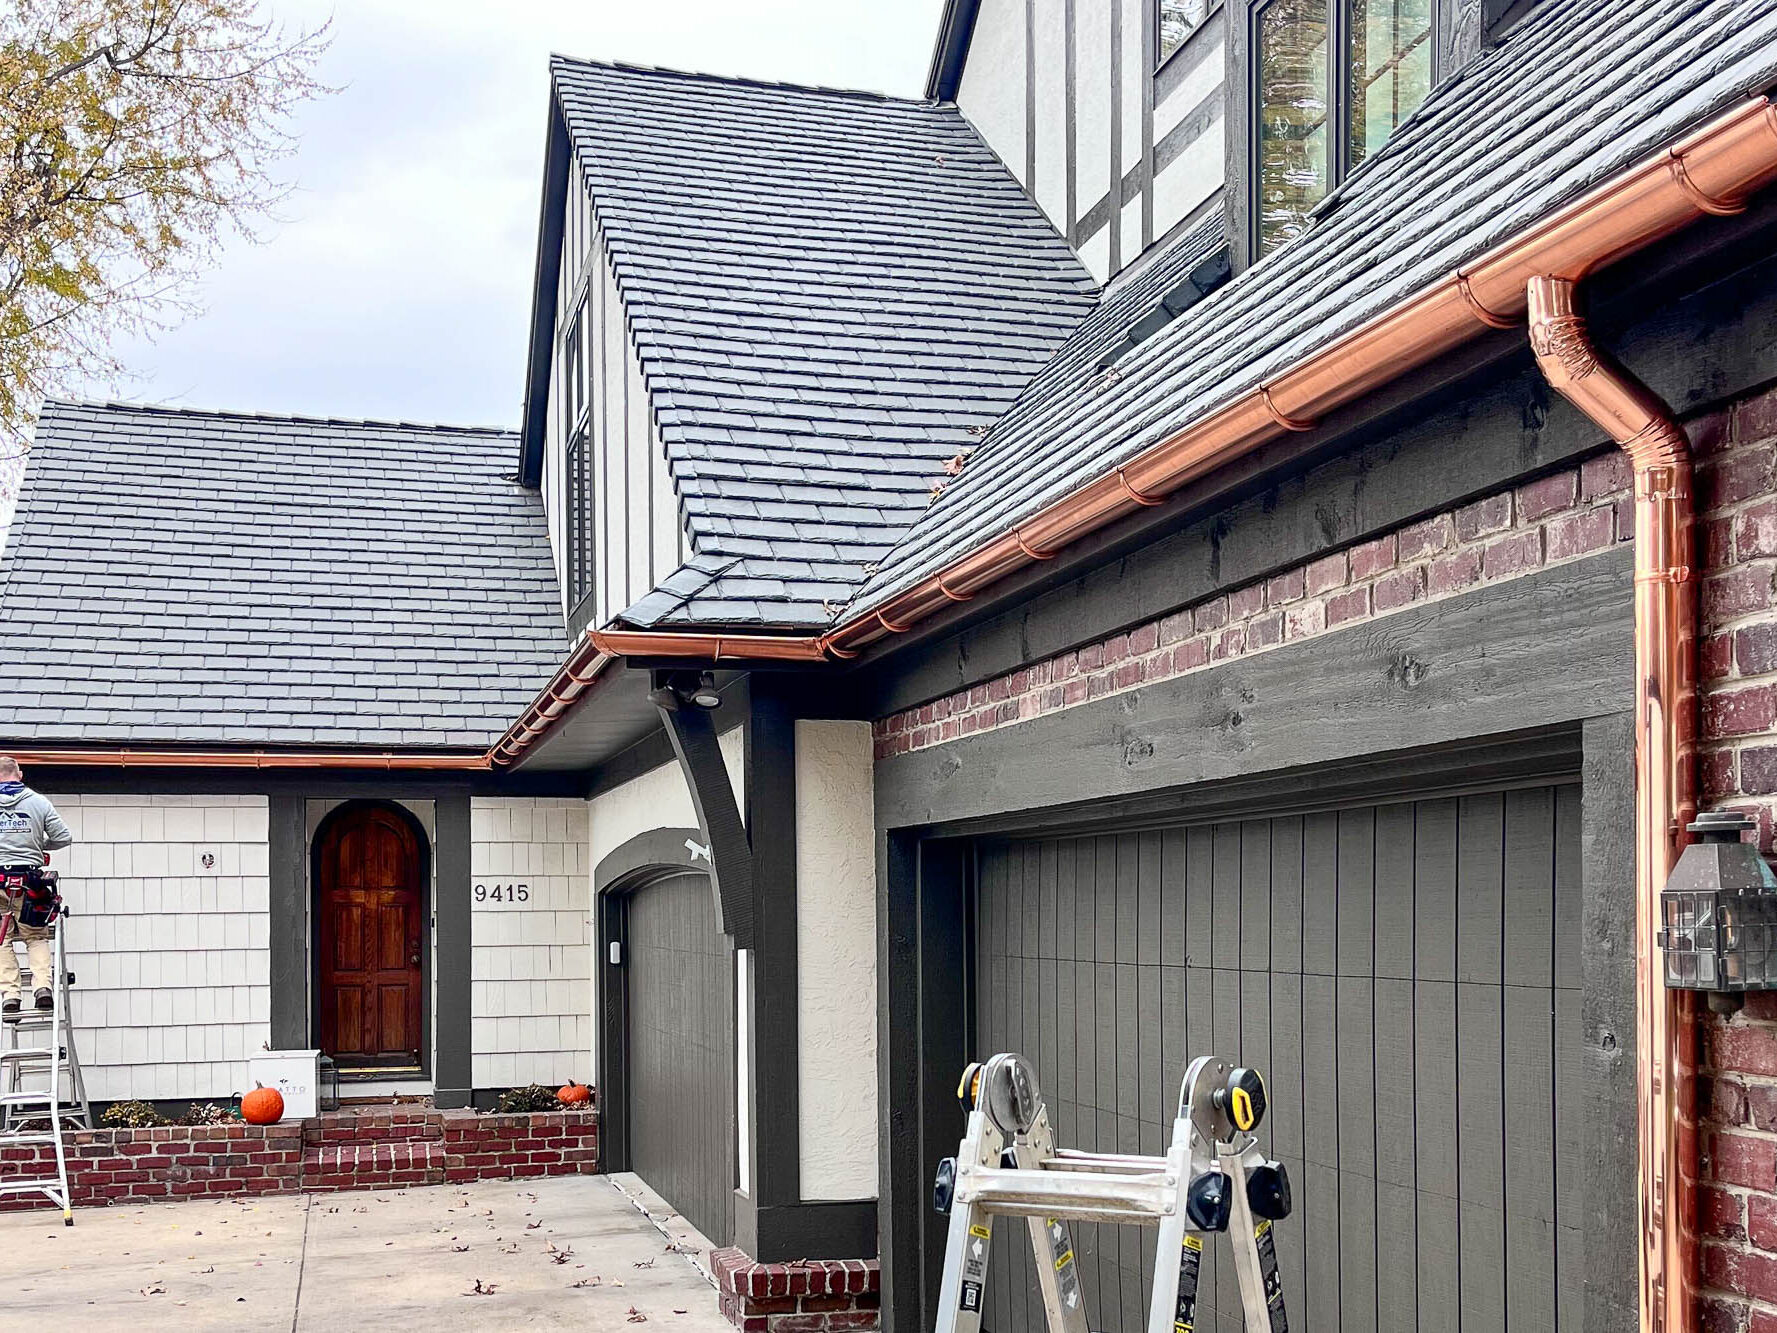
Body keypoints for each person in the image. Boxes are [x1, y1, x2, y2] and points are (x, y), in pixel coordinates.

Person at [0, 757, 73, 1018]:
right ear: (19, 774)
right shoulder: (38, 802)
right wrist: (37, 846)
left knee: (2, 938)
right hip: (30, 883)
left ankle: (10, 995)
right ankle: (42, 987)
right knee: (36, 936)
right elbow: (63, 837)